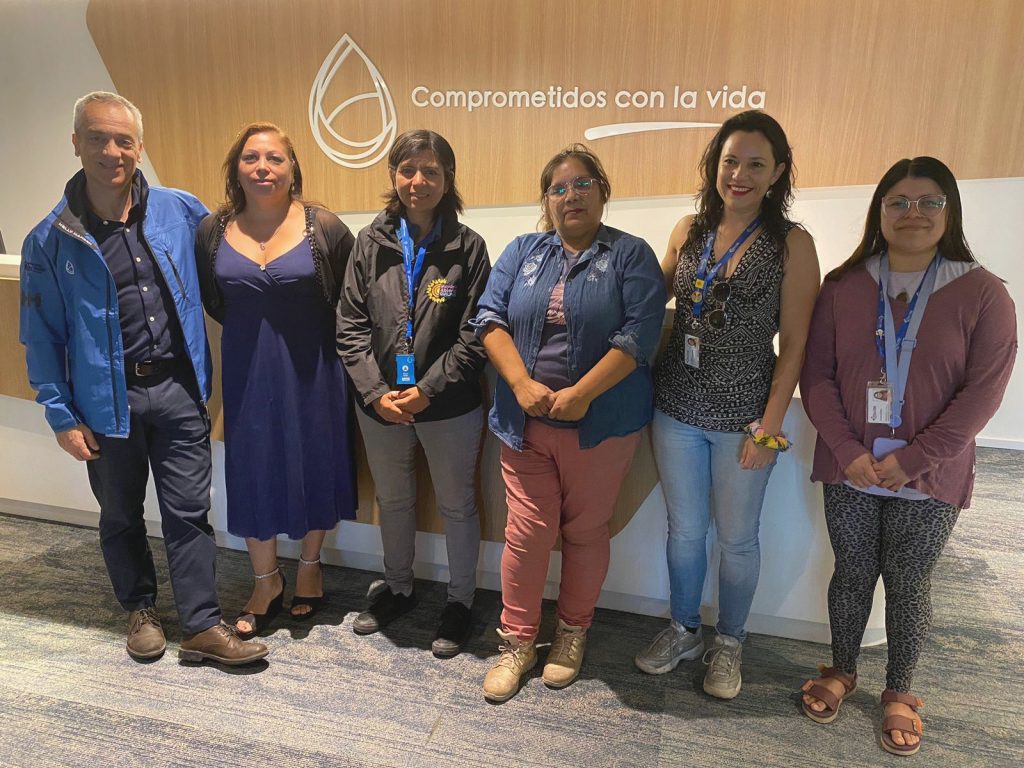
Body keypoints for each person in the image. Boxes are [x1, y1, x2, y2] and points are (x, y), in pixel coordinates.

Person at [18, 91, 267, 665]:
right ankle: (140, 609)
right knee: (120, 514)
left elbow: (231, 266)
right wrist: (61, 415)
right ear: (76, 143)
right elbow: (42, 336)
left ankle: (201, 624)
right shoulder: (49, 239)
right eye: (97, 139)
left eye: (123, 140)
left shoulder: (180, 210)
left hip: (179, 390)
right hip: (105, 402)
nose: (111, 151)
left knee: (189, 512)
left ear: (139, 147)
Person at [799, 157, 1016, 756]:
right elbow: (817, 376)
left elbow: (983, 394)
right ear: (879, 212)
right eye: (897, 201)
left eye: (929, 201)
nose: (912, 212)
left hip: (931, 472)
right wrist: (846, 450)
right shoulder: (843, 286)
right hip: (850, 466)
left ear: (950, 211)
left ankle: (899, 690)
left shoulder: (984, 293)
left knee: (909, 580)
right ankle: (842, 668)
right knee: (851, 572)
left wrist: (916, 459)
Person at [634, 111, 820, 698]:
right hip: (676, 408)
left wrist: (770, 428)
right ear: (714, 165)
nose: (739, 175)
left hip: (745, 416)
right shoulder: (689, 229)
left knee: (738, 538)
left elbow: (796, 345)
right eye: (730, 161)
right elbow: (648, 299)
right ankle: (683, 629)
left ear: (778, 172)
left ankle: (730, 641)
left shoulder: (791, 244)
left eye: (755, 164)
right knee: (685, 531)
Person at [472, 144, 666, 701]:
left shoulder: (629, 254)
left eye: (582, 184)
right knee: (526, 533)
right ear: (546, 201)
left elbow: (640, 333)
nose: (570, 195)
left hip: (600, 425)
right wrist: (520, 384)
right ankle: (517, 642)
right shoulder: (522, 251)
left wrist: (582, 394)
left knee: (584, 531)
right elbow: (488, 318)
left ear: (603, 194)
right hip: (525, 423)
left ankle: (572, 634)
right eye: (558, 188)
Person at [195, 122, 358, 638]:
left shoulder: (324, 227)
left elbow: (351, 299)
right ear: (236, 168)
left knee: (316, 461)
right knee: (252, 469)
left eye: (274, 158)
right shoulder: (212, 230)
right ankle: (265, 580)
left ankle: (310, 567)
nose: (262, 167)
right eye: (251, 158)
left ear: (292, 168)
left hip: (315, 369)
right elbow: (213, 300)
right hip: (247, 370)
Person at [337, 130, 490, 657]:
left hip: (448, 404)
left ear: (448, 179)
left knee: (457, 505)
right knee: (394, 500)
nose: (418, 181)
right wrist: (376, 392)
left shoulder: (468, 247)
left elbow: (476, 334)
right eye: (407, 170)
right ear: (393, 175)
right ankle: (398, 588)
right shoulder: (369, 242)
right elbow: (350, 325)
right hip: (380, 403)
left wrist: (427, 390)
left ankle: (460, 602)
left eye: (430, 171)